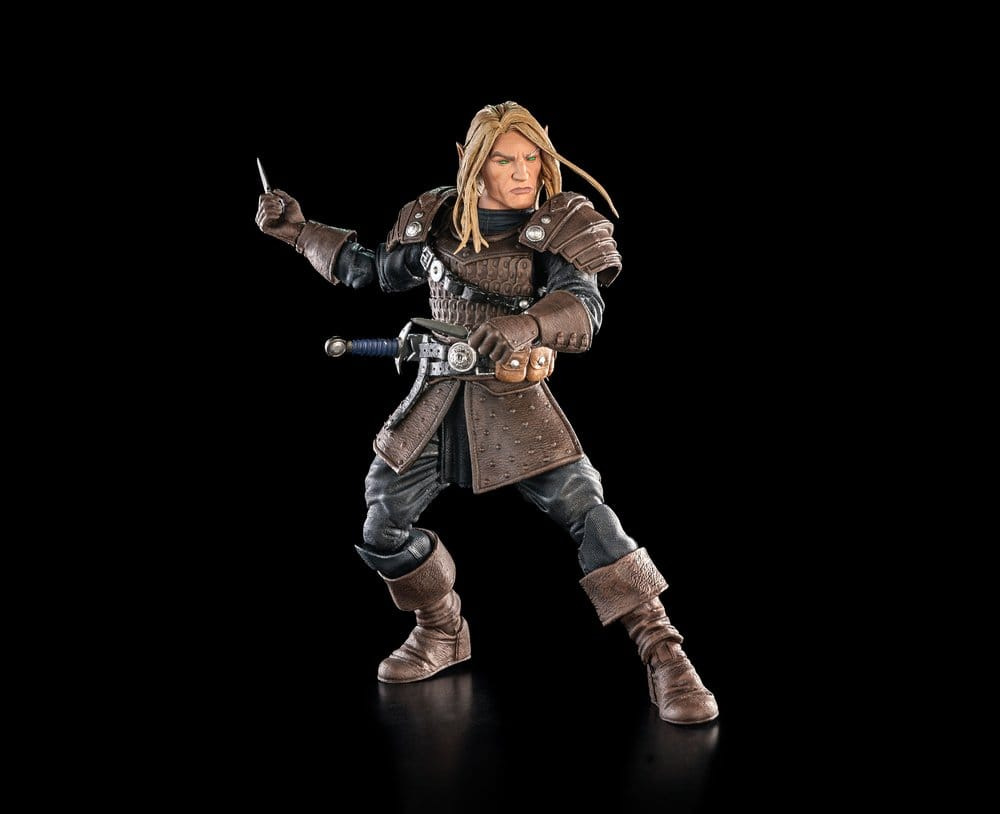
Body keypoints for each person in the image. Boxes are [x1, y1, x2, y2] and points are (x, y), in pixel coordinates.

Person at [256, 102, 717, 725]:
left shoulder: (559, 226)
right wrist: (298, 231)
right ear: (473, 164)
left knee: (589, 513)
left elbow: (583, 307)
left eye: (531, 158)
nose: (523, 173)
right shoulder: (434, 221)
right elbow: (368, 270)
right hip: (436, 396)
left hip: (514, 400)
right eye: (505, 160)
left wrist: (528, 325)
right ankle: (441, 628)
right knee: (382, 521)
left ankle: (665, 652)